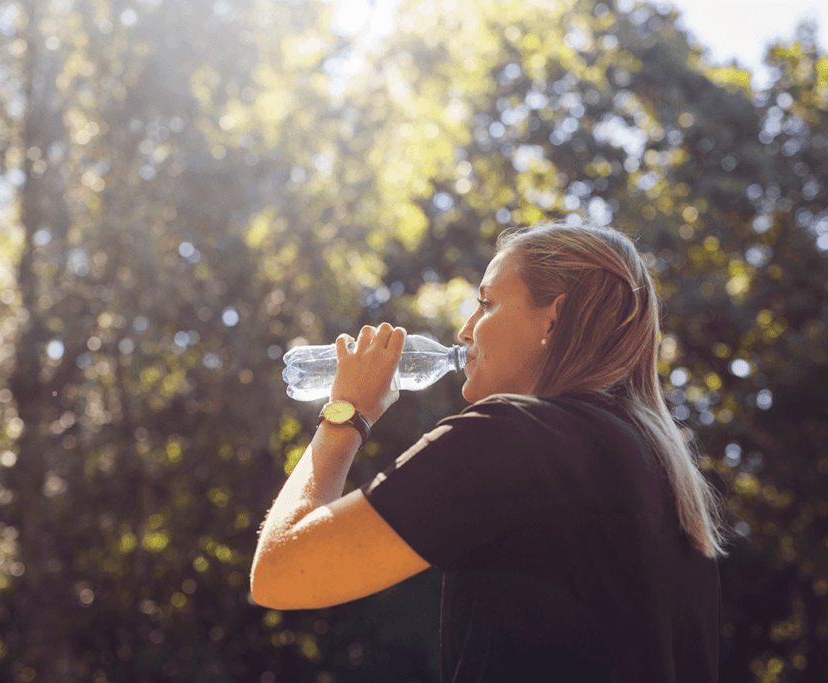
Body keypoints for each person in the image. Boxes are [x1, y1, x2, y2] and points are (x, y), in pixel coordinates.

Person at [250, 221, 726, 683]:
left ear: (554, 318)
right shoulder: (673, 489)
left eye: (486, 303)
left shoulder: (514, 437)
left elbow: (279, 571)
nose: (464, 330)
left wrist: (348, 412)